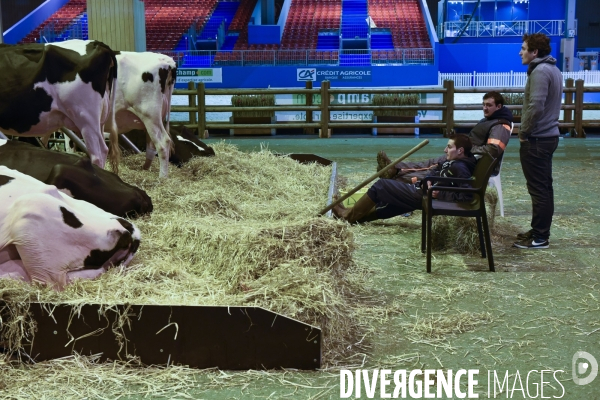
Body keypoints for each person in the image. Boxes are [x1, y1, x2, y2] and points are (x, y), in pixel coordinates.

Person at [333, 134, 477, 223]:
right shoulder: (453, 162)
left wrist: (440, 193)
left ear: (460, 150)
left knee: (382, 186)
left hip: (425, 196)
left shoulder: (461, 168)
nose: (445, 150)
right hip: (423, 190)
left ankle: (347, 216)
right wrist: (428, 179)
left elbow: (466, 196)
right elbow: (436, 172)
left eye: (449, 147)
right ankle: (351, 216)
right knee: (388, 206)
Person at [376, 91, 512, 182]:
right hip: (466, 157)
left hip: (470, 163)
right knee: (430, 164)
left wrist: (468, 149)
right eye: (483, 105)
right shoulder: (492, 120)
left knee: (432, 168)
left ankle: (395, 171)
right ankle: (394, 169)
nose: (485, 108)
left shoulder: (500, 125)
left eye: (489, 105)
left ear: (499, 106)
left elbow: (493, 150)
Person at [512, 33, 562, 249]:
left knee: (539, 190)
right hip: (548, 136)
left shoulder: (540, 71)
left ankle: (540, 237)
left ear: (535, 52)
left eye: (524, 48)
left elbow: (536, 106)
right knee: (544, 188)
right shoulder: (553, 69)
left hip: (537, 139)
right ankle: (539, 230)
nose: (520, 52)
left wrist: (523, 131)